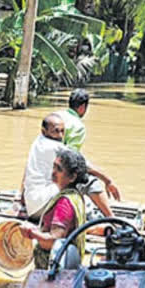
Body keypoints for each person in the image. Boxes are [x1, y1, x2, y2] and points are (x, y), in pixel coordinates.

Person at [21, 113, 117, 219]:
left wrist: (21, 199)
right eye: (56, 131)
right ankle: (112, 218)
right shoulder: (54, 147)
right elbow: (84, 165)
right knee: (88, 180)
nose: (61, 135)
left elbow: (27, 172)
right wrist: (108, 180)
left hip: (33, 208)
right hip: (43, 207)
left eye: (62, 131)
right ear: (44, 131)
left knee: (66, 177)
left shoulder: (37, 143)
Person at [56, 88, 121, 217]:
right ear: (83, 107)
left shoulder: (56, 116)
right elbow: (71, 161)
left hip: (43, 172)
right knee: (90, 181)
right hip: (56, 177)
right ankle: (112, 219)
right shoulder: (77, 126)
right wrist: (107, 179)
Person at [19, 148, 88, 269]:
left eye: (59, 169)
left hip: (53, 269)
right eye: (54, 167)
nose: (53, 172)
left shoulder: (64, 203)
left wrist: (31, 233)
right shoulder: (76, 196)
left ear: (72, 177)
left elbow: (54, 241)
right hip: (70, 266)